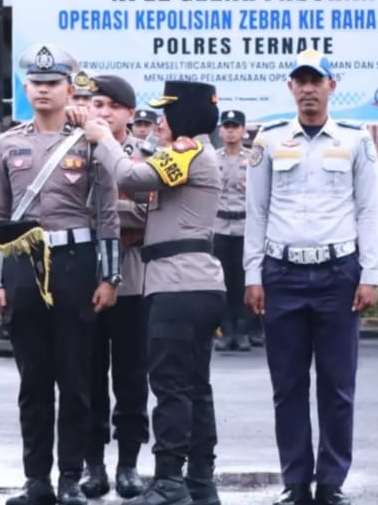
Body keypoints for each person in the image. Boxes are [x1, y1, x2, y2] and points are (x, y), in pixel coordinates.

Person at [0, 43, 121, 505]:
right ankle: (36, 480)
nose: (43, 90)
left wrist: (110, 278)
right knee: (33, 381)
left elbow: (107, 217)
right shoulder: (7, 143)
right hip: (24, 265)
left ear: (69, 89)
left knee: (76, 379)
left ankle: (70, 479)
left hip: (75, 266)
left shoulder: (89, 141)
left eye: (53, 83)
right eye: (37, 83)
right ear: (26, 88)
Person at [244, 49, 378, 505]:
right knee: (287, 385)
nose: (307, 89)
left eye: (315, 80)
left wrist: (370, 273)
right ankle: (296, 481)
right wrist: (253, 275)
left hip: (338, 273)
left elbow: (368, 211)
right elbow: (256, 212)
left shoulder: (356, 140)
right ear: (290, 88)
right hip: (281, 273)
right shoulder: (267, 140)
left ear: (331, 86)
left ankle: (331, 482)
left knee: (338, 386)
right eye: (299, 81)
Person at [82, 80, 226, 505]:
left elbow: (130, 176)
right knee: (196, 386)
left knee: (171, 386)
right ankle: (200, 480)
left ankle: (168, 481)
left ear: (187, 115)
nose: (160, 121)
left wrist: (104, 138)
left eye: (167, 112)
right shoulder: (190, 154)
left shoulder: (190, 152)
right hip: (191, 282)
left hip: (178, 283)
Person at [80, 75, 149, 500]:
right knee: (86, 377)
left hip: (133, 278)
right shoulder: (71, 154)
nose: (102, 113)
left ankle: (128, 465)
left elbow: (148, 215)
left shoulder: (147, 157)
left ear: (129, 113)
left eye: (110, 106)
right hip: (85, 277)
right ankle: (92, 466)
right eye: (95, 105)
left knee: (131, 377)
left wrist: (104, 213)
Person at [213, 109, 252, 353]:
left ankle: (244, 331)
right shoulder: (211, 159)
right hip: (219, 226)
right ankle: (226, 332)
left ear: (243, 130)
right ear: (220, 130)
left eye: (235, 126)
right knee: (222, 282)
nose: (230, 131)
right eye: (226, 126)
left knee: (244, 281)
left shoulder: (253, 159)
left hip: (245, 227)